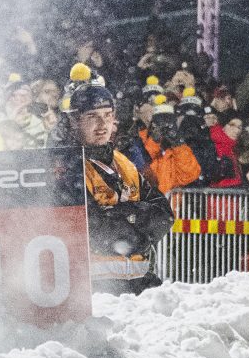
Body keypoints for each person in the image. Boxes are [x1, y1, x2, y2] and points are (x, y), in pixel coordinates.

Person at [63, 81, 173, 294]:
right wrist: (140, 225)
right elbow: (95, 232)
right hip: (95, 291)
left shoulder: (123, 162)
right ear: (75, 120)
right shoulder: (69, 166)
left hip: (140, 285)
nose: (102, 124)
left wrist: (124, 213)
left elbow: (165, 215)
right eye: (92, 116)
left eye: (107, 115)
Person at [141, 96, 203, 195]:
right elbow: (140, 167)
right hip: (149, 200)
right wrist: (154, 141)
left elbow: (189, 175)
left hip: (170, 202)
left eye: (169, 121)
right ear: (152, 124)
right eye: (160, 122)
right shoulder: (141, 139)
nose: (165, 126)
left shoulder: (179, 148)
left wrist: (178, 143)